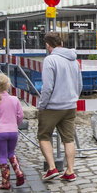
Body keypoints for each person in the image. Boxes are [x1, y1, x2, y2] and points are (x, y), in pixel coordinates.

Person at [37, 32, 82, 181]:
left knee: (44, 136)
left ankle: (51, 168)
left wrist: (42, 105)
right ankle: (70, 171)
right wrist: (74, 98)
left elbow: (47, 87)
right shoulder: (74, 61)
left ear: (48, 45)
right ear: (61, 43)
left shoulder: (50, 60)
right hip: (70, 105)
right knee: (68, 139)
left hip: (53, 106)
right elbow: (79, 84)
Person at [0, 74, 25, 190]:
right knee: (11, 153)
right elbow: (20, 115)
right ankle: (19, 173)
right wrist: (15, 124)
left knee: (2, 155)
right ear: (8, 86)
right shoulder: (14, 99)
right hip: (13, 131)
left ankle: (5, 182)